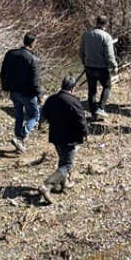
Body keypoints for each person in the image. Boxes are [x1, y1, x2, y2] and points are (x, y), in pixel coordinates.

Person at [39, 76, 88, 204]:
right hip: (70, 137)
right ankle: (47, 185)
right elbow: (81, 119)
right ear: (73, 88)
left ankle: (64, 182)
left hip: (55, 136)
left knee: (63, 159)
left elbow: (44, 114)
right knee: (67, 164)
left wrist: (44, 124)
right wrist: (85, 133)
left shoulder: (51, 99)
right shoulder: (73, 101)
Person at [0, 34, 43, 154]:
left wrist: (5, 86)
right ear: (33, 43)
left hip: (13, 91)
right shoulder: (32, 58)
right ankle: (20, 137)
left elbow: (3, 72)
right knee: (35, 116)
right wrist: (39, 95)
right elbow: (35, 80)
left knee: (19, 115)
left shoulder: (11, 53)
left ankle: (19, 142)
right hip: (27, 93)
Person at [79, 16, 118, 121]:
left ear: (96, 22)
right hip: (102, 67)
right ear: (105, 24)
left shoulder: (86, 35)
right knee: (107, 86)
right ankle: (101, 107)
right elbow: (109, 55)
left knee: (92, 91)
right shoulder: (106, 37)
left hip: (89, 67)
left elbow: (81, 51)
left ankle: (93, 114)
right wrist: (114, 66)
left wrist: (84, 61)